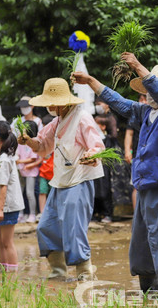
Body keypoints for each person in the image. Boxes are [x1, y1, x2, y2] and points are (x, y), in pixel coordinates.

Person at [73, 53, 158, 298]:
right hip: (146, 186)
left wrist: (137, 65)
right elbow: (118, 102)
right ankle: (151, 299)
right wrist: (91, 81)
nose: (150, 93)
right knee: (142, 249)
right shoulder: (145, 112)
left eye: (157, 86)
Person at [18, 77, 104, 281]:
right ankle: (58, 272)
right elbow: (42, 146)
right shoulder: (56, 122)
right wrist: (28, 141)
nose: (48, 106)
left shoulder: (82, 118)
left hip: (79, 180)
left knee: (74, 228)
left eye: (51, 102)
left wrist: (90, 155)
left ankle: (84, 273)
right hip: (60, 181)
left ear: (63, 102)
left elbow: (98, 145)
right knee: (46, 227)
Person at [0, 121, 24, 272]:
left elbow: (4, 186)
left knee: (6, 241)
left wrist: (0, 209)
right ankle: (2, 269)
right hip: (1, 204)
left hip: (7, 205)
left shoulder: (4, 159)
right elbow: (0, 182)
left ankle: (12, 273)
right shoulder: (1, 155)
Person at [16, 120, 42, 223]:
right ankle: (21, 214)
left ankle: (32, 214)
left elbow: (33, 158)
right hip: (21, 170)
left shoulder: (33, 142)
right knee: (20, 192)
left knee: (29, 193)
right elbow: (18, 153)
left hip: (30, 171)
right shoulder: (20, 142)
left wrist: (19, 161)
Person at [124, 94, 147, 210]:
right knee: (136, 185)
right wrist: (127, 150)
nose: (142, 101)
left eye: (145, 99)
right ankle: (136, 214)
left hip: (151, 155)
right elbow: (129, 133)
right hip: (137, 154)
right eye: (140, 99)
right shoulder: (135, 114)